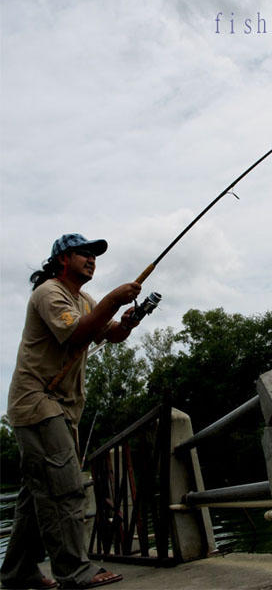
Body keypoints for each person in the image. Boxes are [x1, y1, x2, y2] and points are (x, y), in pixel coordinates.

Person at [1, 234, 143, 589]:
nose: (92, 259)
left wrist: (125, 322)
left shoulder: (82, 299)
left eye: (95, 254)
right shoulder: (50, 293)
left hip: (60, 408)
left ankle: (18, 571)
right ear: (63, 259)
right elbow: (77, 332)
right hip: (37, 403)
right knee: (63, 488)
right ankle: (73, 570)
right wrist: (113, 299)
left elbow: (106, 332)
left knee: (37, 494)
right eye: (85, 253)